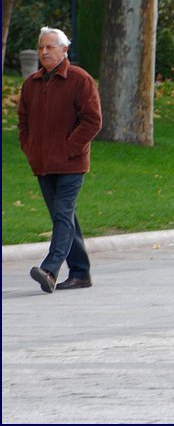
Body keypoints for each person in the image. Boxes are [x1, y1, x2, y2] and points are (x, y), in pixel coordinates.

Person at [18, 27, 102, 293]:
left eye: (50, 47)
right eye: (41, 47)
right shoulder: (31, 84)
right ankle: (81, 273)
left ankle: (50, 270)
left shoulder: (80, 79)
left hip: (71, 164)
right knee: (64, 217)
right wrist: (31, 148)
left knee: (63, 214)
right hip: (43, 164)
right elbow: (23, 122)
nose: (44, 52)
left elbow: (92, 121)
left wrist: (68, 149)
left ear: (64, 50)